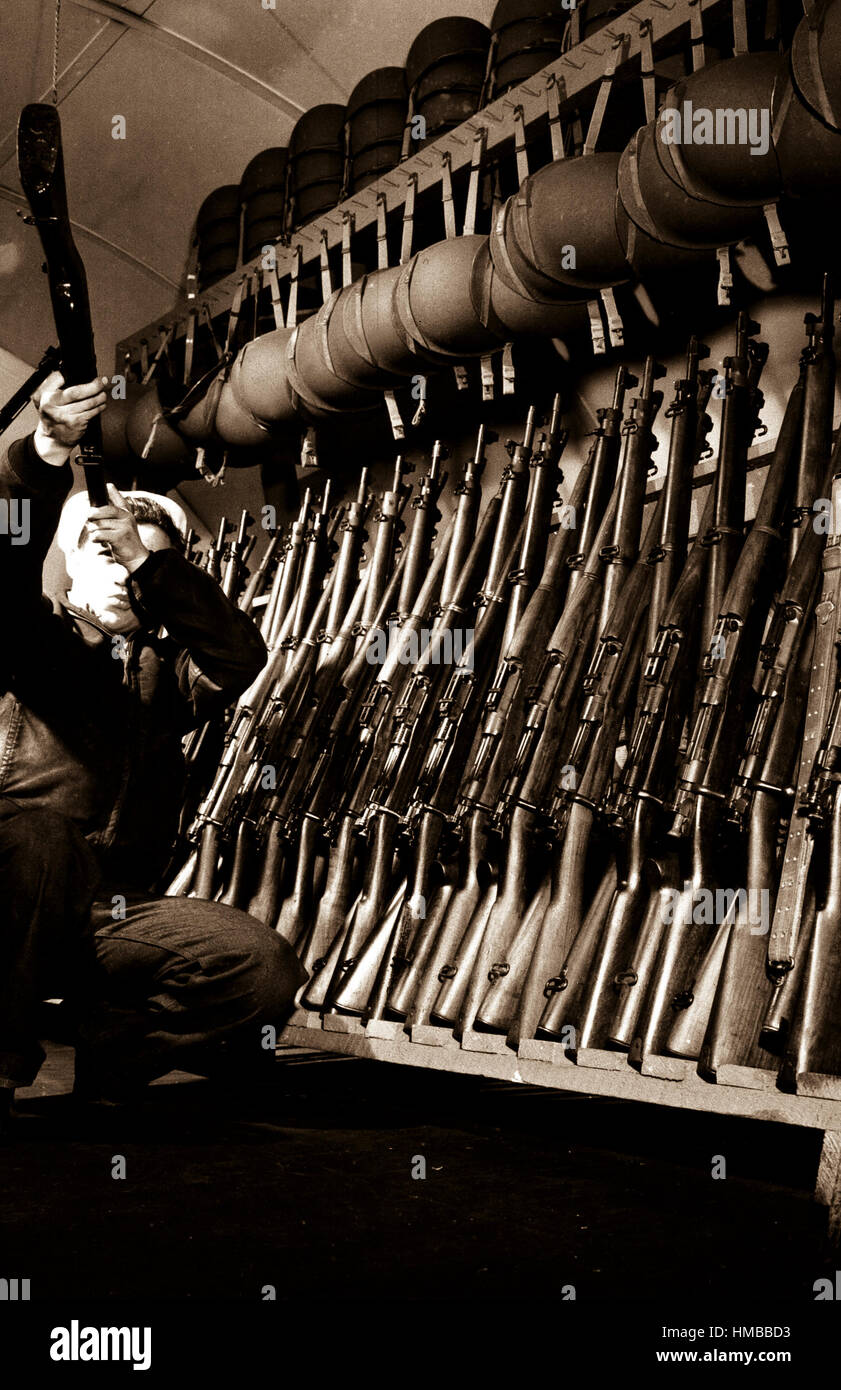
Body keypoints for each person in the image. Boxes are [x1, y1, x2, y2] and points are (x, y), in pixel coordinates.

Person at [0, 371, 305, 1131]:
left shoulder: (164, 678)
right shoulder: (31, 643)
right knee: (41, 837)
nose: (118, 571)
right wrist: (42, 454)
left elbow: (239, 656)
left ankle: (111, 1047)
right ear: (69, 560)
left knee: (256, 967)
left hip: (106, 912)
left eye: (133, 563)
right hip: (11, 898)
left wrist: (150, 561)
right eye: (101, 552)